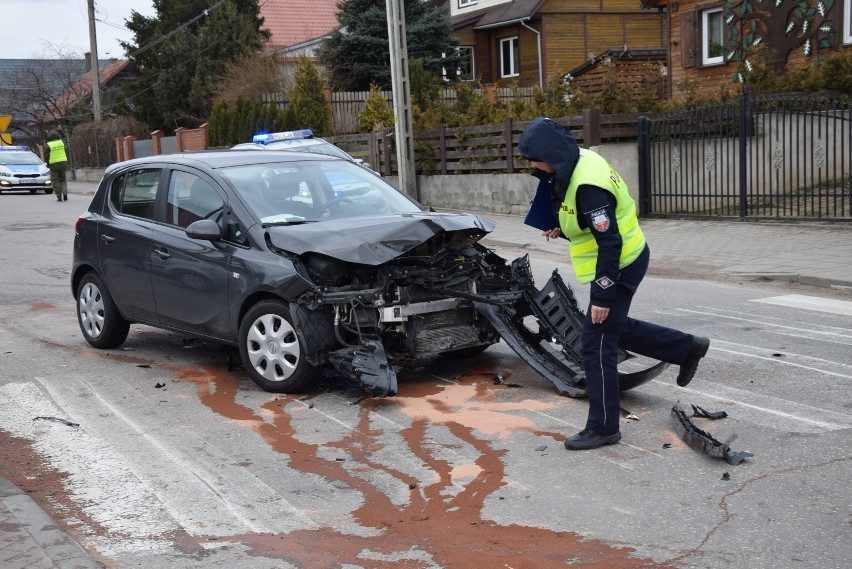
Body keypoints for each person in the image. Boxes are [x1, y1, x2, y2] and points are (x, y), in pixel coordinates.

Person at [518, 117, 710, 451]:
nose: (533, 166)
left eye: (533, 159)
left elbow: (609, 243)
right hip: (623, 257)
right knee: (609, 328)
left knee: (595, 342)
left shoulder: (588, 186)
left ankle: (603, 427)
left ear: (549, 154)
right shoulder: (578, 160)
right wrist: (562, 228)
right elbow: (587, 220)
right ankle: (685, 347)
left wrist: (603, 298)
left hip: (619, 264)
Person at [45, 130, 69, 201]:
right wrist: (60, 130)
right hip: (63, 163)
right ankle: (65, 193)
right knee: (63, 180)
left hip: (54, 165)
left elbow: (46, 156)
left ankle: (59, 196)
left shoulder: (48, 145)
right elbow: (65, 137)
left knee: (56, 181)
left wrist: (48, 163)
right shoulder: (62, 142)